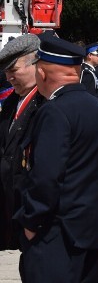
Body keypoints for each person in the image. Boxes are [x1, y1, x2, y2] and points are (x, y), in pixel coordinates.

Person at [14, 35, 98, 283]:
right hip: (90, 228)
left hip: (55, 231)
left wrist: (31, 221)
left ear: (42, 73)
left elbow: (45, 176)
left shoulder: (55, 111)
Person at [0, 34, 43, 251]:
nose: (9, 78)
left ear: (34, 64)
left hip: (32, 210)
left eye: (13, 70)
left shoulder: (46, 104)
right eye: (6, 72)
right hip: (12, 204)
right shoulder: (11, 102)